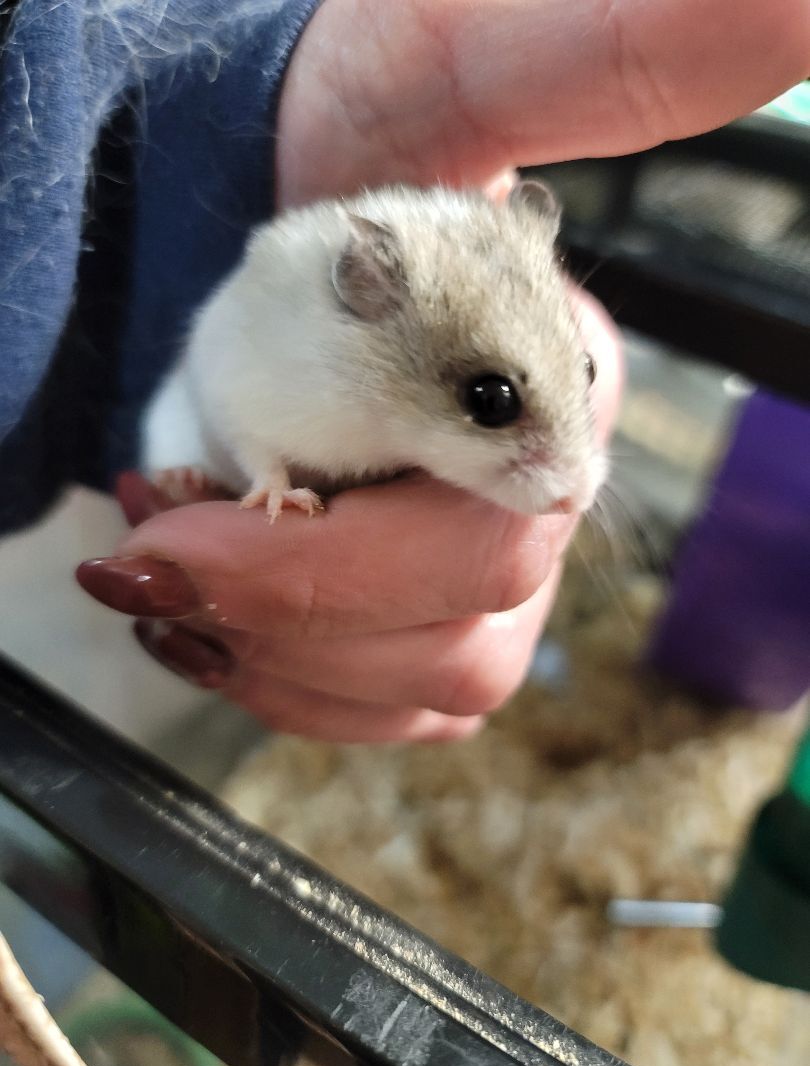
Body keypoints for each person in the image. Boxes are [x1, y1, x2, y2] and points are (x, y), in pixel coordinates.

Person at [2, 0, 808, 742]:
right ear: (368, 294)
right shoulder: (321, 321)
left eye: (582, 375)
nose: (573, 487)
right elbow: (229, 365)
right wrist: (262, 465)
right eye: (492, 400)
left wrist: (242, 99)